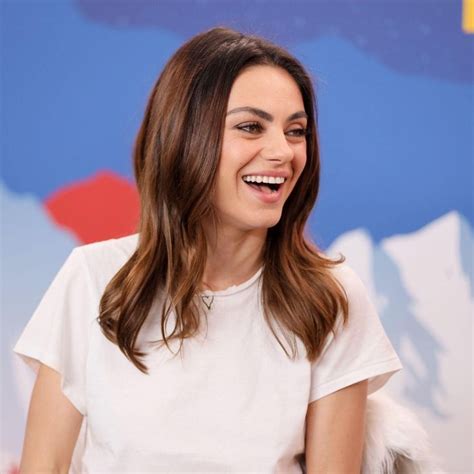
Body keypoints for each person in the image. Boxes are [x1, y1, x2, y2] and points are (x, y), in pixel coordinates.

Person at [13, 27, 402, 473]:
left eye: (296, 131)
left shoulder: (330, 298)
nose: (283, 151)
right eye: (250, 127)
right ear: (183, 137)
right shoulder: (94, 279)